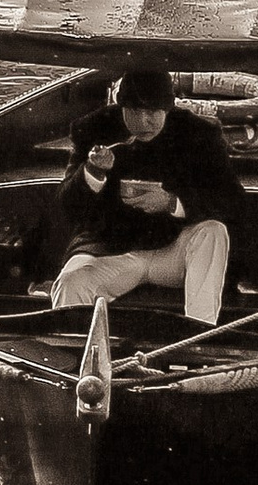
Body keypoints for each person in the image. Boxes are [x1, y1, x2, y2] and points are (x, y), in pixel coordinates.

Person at [40, 56, 246, 325]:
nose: (144, 121)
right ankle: (70, 353)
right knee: (71, 281)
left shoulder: (199, 134)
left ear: (168, 109)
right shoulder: (93, 130)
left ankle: (198, 334)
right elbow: (67, 208)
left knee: (213, 232)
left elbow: (232, 200)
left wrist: (173, 203)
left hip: (174, 251)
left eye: (153, 112)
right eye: (135, 111)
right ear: (120, 106)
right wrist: (93, 171)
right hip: (114, 252)